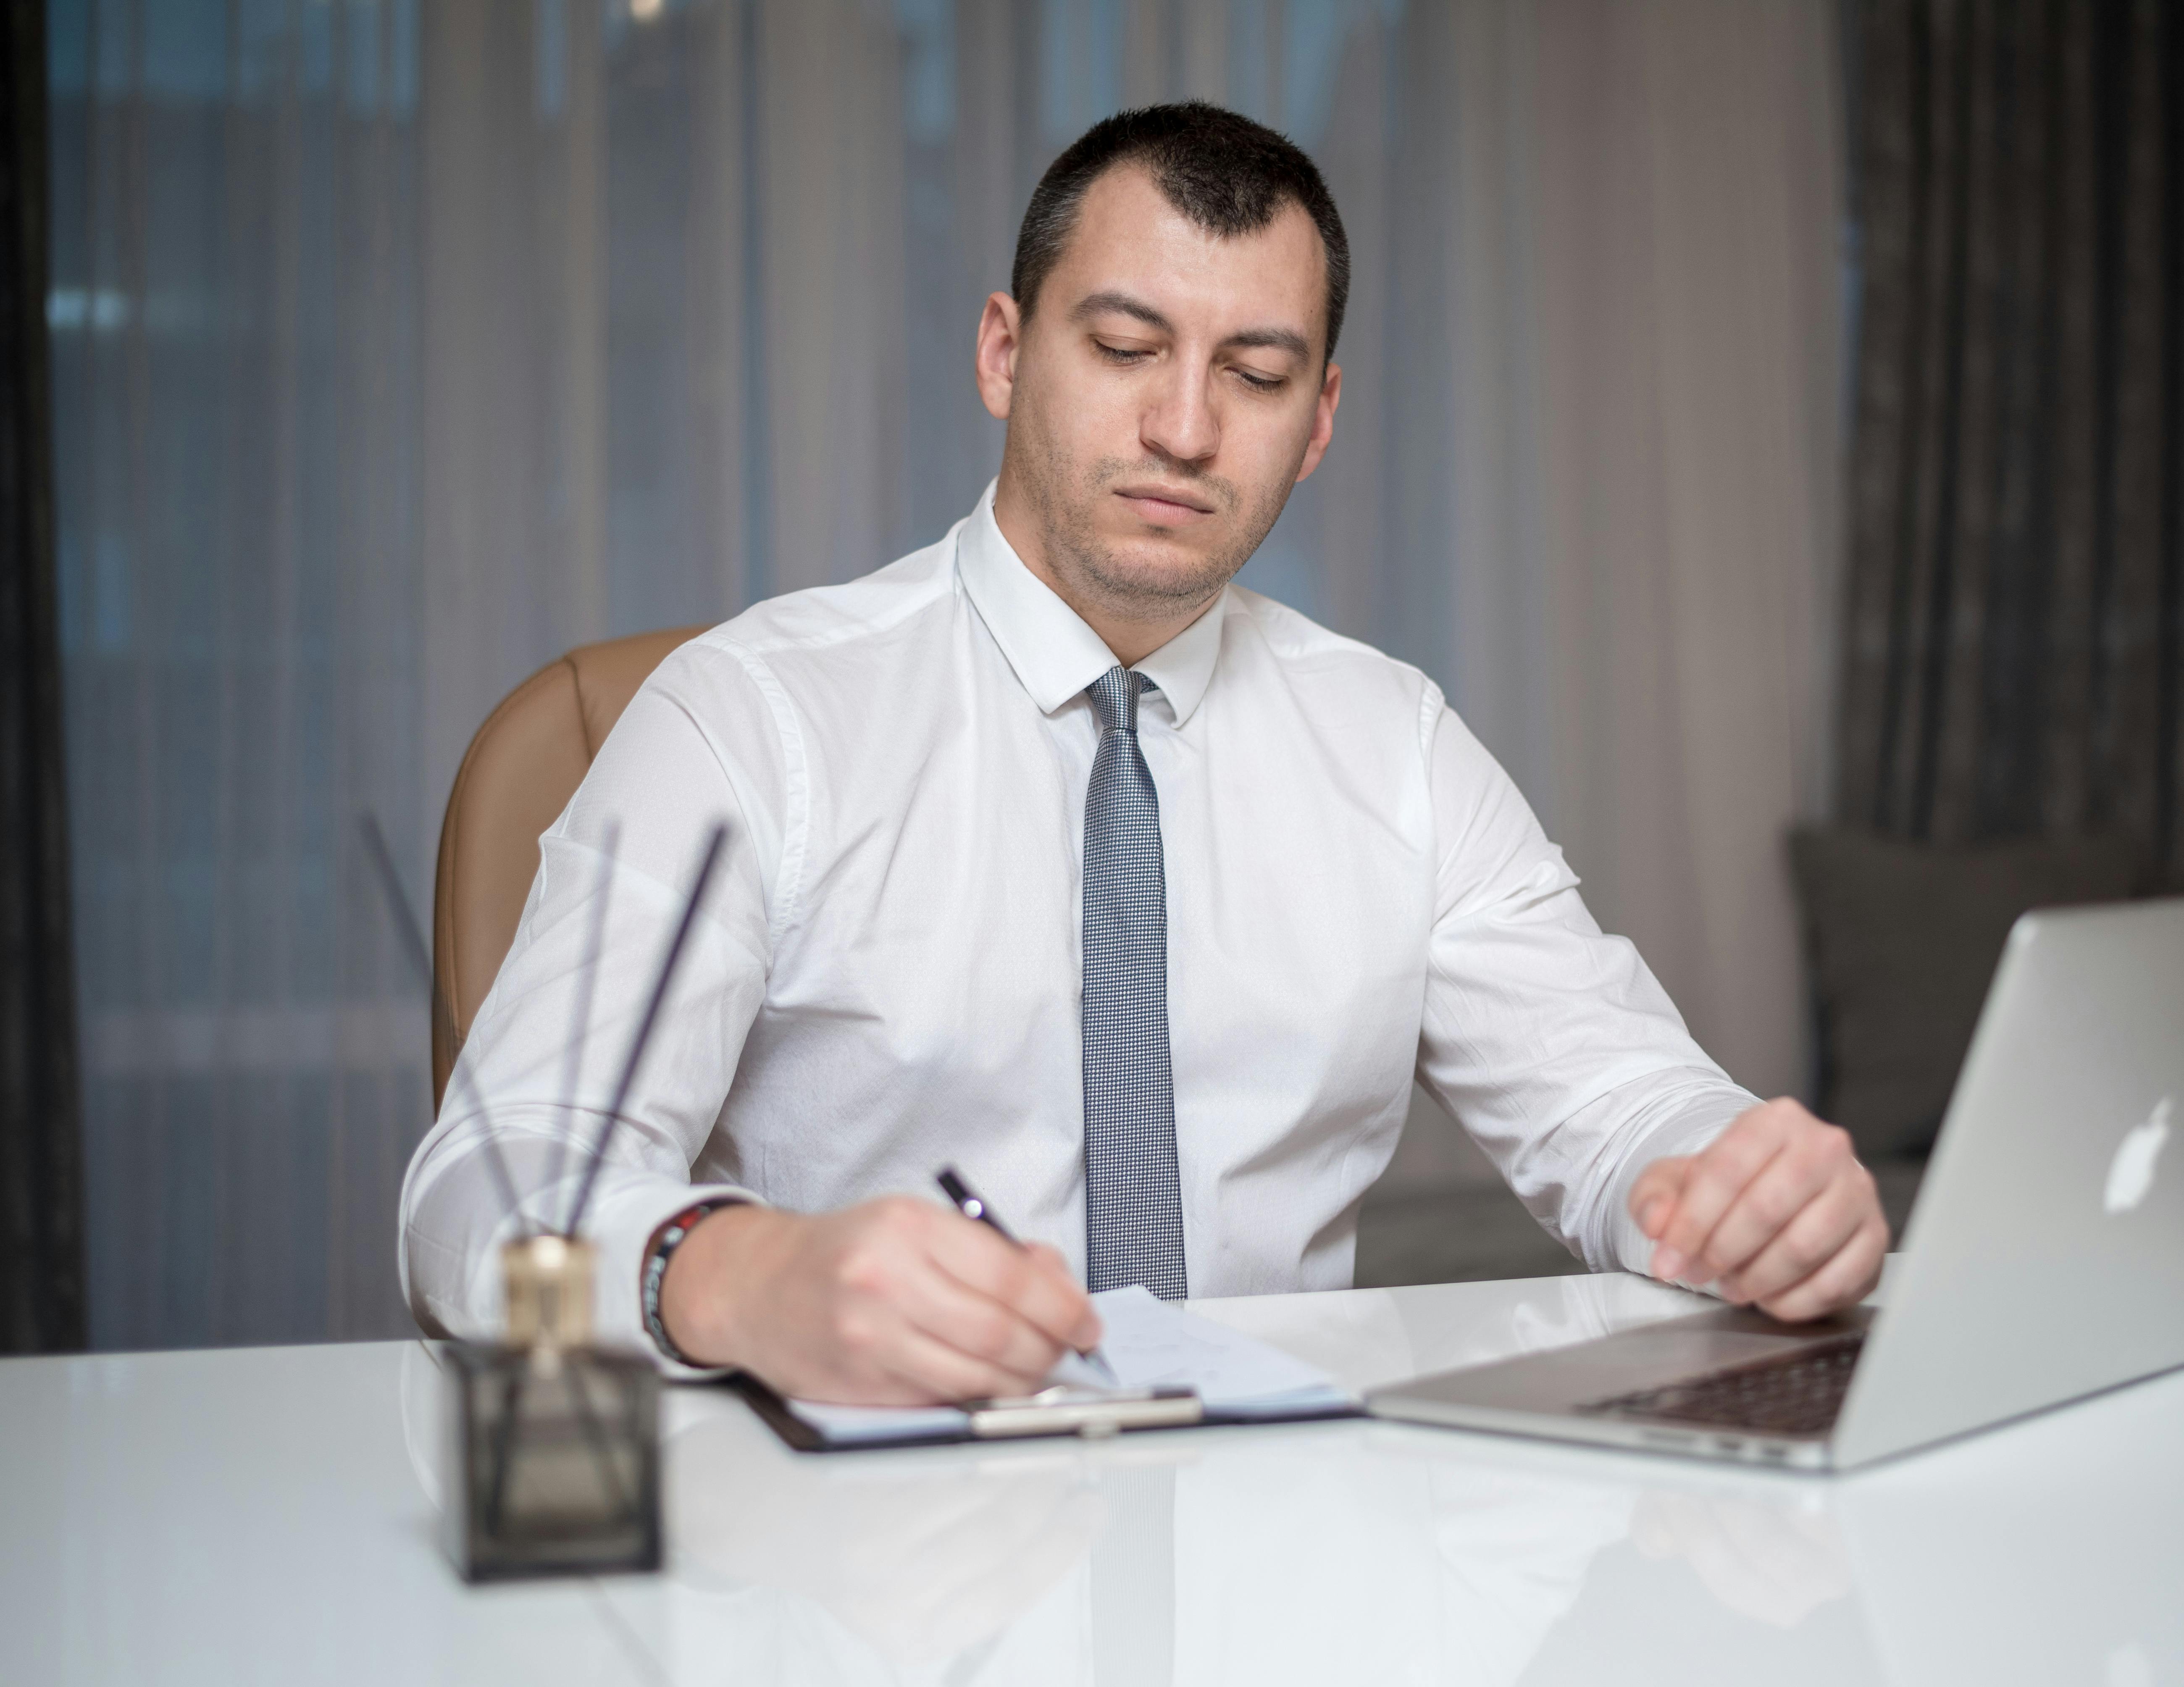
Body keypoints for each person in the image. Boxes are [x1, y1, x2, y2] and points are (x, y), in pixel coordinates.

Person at [400, 102, 1887, 1407]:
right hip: (861, 1547)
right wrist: (735, 1277)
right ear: (1002, 353)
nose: (1184, 427)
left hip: (1288, 1545)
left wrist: (1731, 1185)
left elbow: (1621, 1104)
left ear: (1318, 424)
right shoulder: (749, 718)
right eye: (1124, 347)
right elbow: (491, 1180)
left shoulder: (1396, 746)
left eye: (1255, 373)